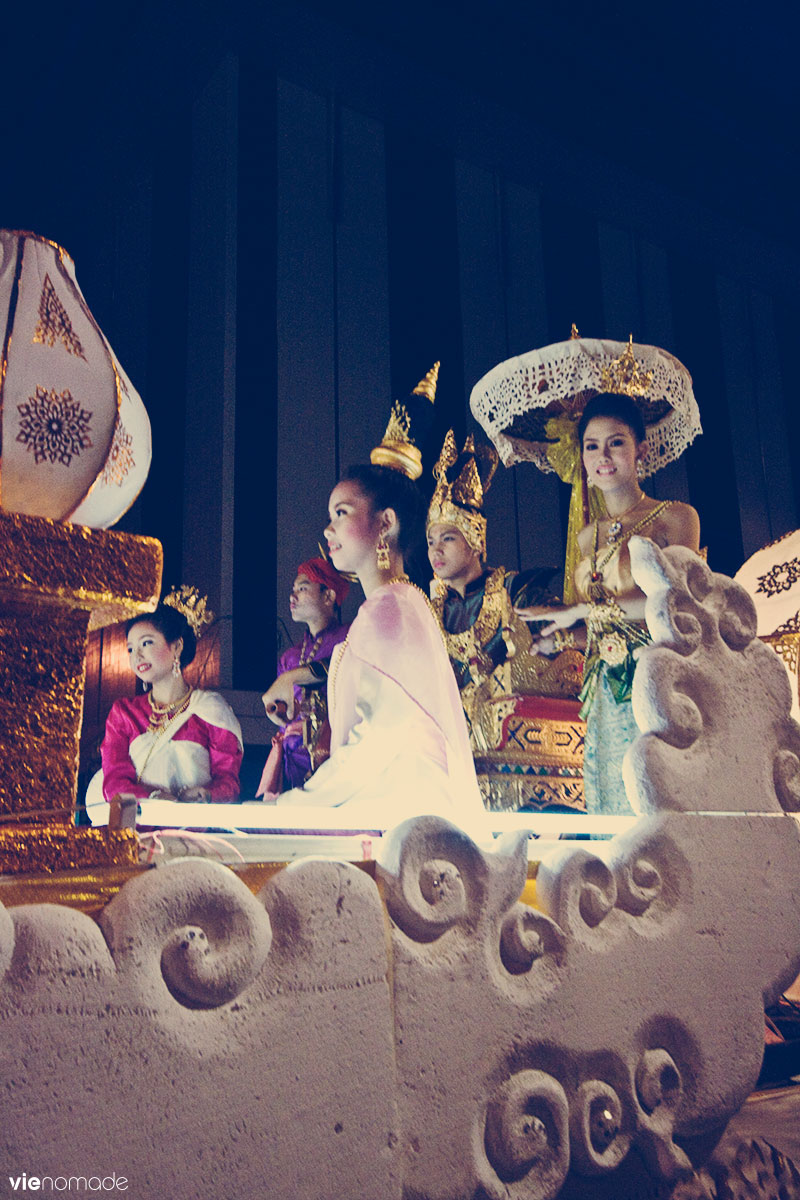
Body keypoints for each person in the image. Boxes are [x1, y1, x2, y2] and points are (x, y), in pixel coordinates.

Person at [275, 368, 486, 831]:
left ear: (385, 523)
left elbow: (382, 736)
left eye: (341, 513)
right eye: (329, 516)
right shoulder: (393, 604)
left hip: (404, 815)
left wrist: (297, 805)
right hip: (391, 807)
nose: (328, 528)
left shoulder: (392, 608)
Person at [516, 393, 700, 814]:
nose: (603, 456)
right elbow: (604, 628)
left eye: (616, 442)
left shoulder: (676, 518)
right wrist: (562, 639)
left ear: (641, 450)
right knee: (615, 804)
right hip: (604, 688)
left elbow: (673, 603)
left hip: (660, 678)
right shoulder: (588, 537)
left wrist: (579, 611)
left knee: (660, 801)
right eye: (591, 445)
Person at [85, 592, 243, 825]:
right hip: (136, 831)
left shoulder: (211, 711)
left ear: (177, 646)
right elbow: (115, 781)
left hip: (197, 834)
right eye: (130, 649)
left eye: (146, 643)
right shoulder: (124, 713)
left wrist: (206, 795)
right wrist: (154, 798)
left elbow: (228, 782)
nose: (136, 655)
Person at [426, 429, 560, 699]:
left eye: (448, 538)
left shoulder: (517, 592)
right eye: (430, 541)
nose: (436, 550)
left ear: (476, 541)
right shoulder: (430, 612)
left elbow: (561, 659)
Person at [257, 557, 350, 794]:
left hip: (334, 752)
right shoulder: (290, 656)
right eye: (292, 589)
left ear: (328, 597)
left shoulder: (349, 637)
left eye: (303, 588)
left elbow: (337, 665)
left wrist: (292, 678)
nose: (293, 596)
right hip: (292, 758)